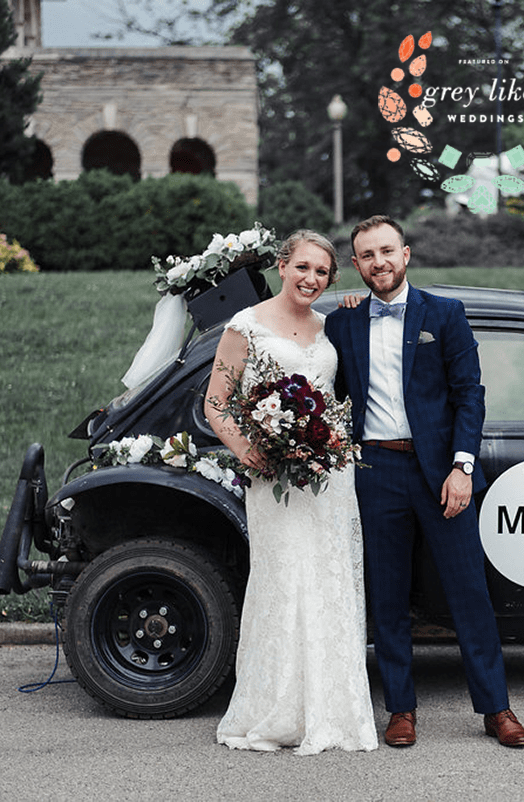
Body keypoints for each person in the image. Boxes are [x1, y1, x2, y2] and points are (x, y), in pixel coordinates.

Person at [325, 214, 524, 748]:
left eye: (387, 251)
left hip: (442, 473)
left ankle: (496, 708)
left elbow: (470, 395)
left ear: (406, 254)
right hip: (376, 472)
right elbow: (332, 395)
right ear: (356, 265)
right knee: (387, 598)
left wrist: (462, 466)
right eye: (367, 256)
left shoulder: (445, 313)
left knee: (469, 594)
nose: (379, 263)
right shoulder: (342, 324)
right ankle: (400, 710)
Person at [205, 229, 377, 755]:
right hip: (274, 478)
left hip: (331, 477)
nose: (311, 279)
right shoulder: (246, 326)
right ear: (283, 266)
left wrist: (352, 307)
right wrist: (247, 448)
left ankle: (333, 711)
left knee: (331, 582)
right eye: (303, 267)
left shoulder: (330, 326)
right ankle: (274, 710)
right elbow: (217, 402)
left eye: (322, 272)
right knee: (282, 580)